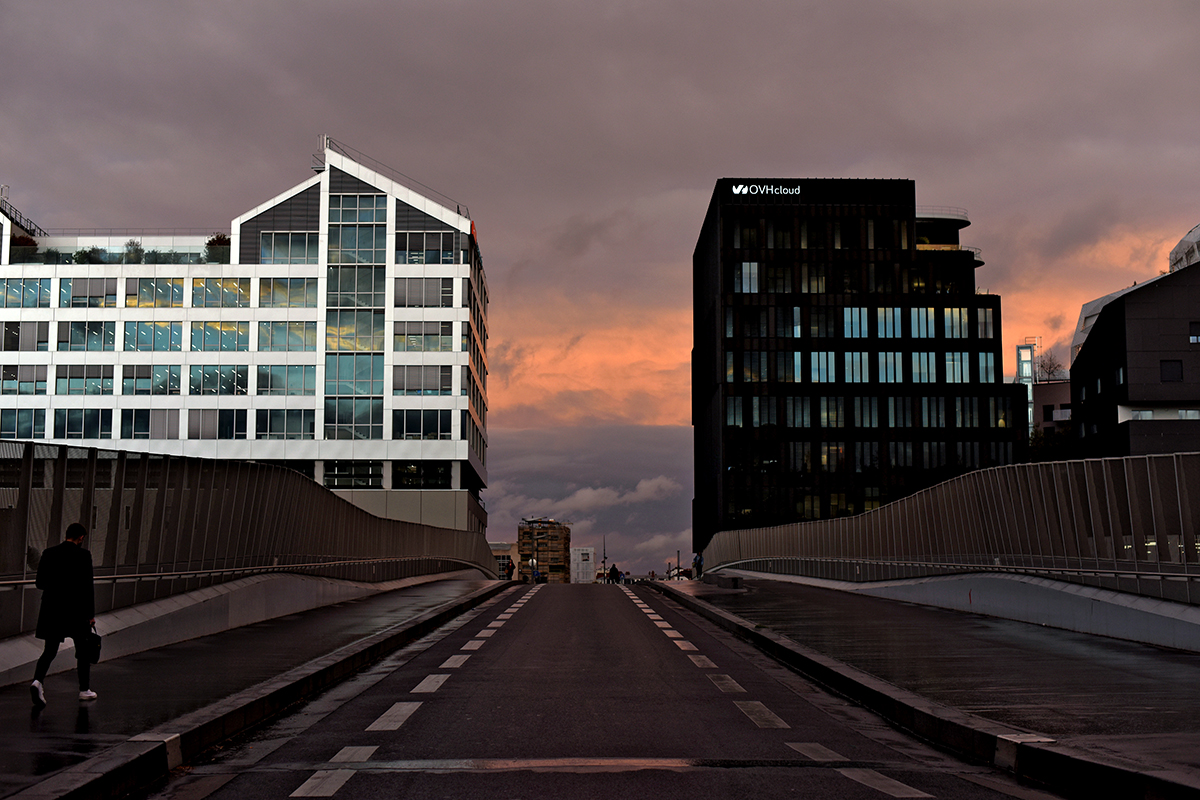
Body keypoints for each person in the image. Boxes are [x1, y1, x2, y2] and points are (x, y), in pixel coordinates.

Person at [30, 522, 96, 708]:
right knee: (82, 651)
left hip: (52, 610)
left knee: (49, 651)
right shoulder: (83, 555)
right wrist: (90, 615)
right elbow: (87, 587)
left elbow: (40, 583)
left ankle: (37, 682)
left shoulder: (48, 553)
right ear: (81, 537)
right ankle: (84, 690)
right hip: (76, 611)